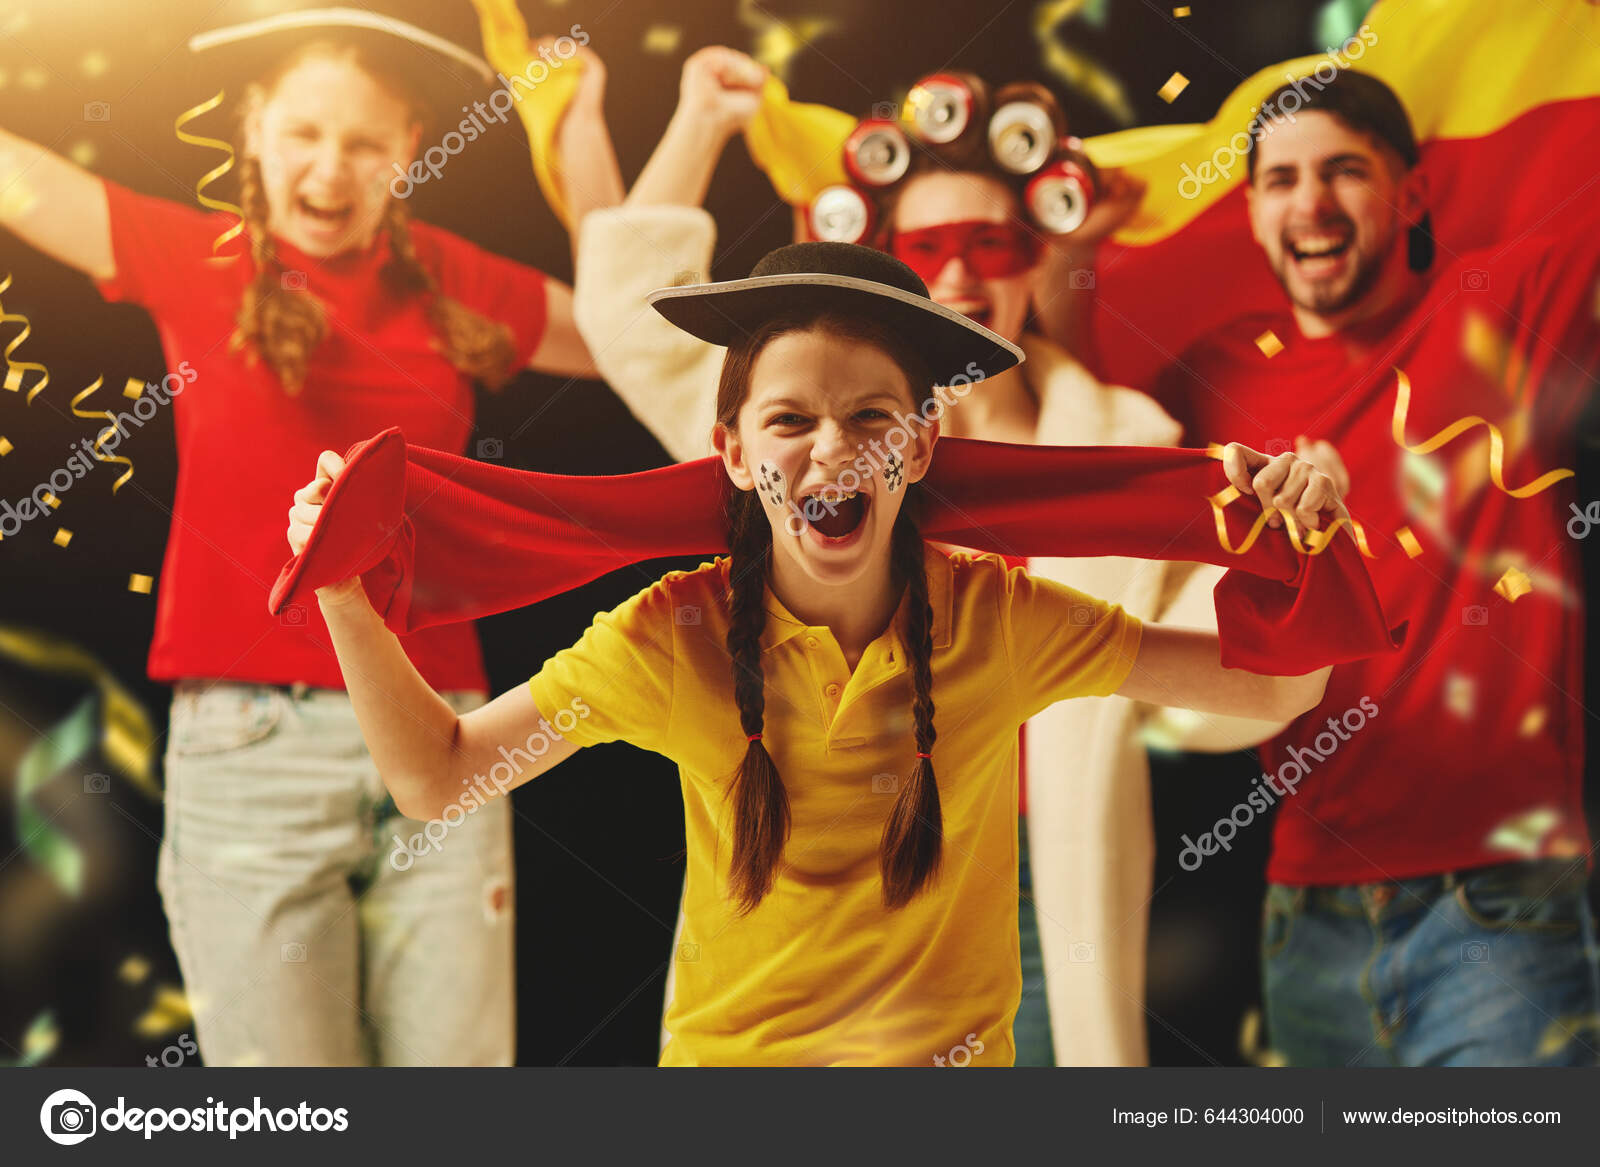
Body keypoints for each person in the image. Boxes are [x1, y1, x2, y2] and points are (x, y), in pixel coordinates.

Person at [289, 240, 1353, 1066]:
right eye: (789, 418)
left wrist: (1305, 543)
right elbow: (435, 778)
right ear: (733, 450)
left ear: (922, 445)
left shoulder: (1001, 615)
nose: (832, 450)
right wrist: (341, 586)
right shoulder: (673, 637)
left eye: (872, 417)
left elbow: (1279, 679)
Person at [570, 48, 1285, 1064]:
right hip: (818, 879)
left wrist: (1283, 542)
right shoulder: (812, 441)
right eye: (929, 247)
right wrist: (699, 121)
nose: (957, 276)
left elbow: (1202, 686)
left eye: (989, 242)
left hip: (1033, 889)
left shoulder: (1116, 445)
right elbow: (624, 314)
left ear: (1037, 256)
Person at [0, 8, 620, 1065]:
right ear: (252, 132)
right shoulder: (194, 256)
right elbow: (23, 180)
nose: (330, 167)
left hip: (445, 741)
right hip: (251, 751)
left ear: (409, 154)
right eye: (303, 134)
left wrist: (579, 128)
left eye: (365, 142)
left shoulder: (459, 281)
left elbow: (631, 329)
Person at [1140, 70, 1600, 1066]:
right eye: (1279, 180)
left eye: (1342, 171)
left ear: (1411, 194)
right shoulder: (1209, 378)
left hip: (1504, 898)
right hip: (1302, 910)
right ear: (1253, 210)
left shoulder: (1507, 302)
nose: (1308, 203)